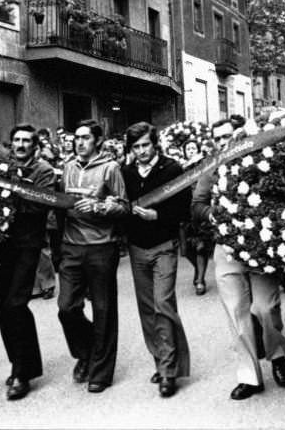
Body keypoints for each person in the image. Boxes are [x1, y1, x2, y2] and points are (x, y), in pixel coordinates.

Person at [192, 118, 285, 402]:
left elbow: (283, 197)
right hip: (226, 246)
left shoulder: (262, 162)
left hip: (261, 247)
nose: (225, 142)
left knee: (265, 308)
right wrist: (216, 215)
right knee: (237, 311)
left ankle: (276, 353)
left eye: (229, 136)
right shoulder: (212, 168)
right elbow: (197, 205)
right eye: (218, 138)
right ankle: (249, 376)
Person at [57, 119, 128, 393]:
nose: (79, 142)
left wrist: (99, 206)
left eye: (85, 137)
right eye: (77, 137)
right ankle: (86, 352)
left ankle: (101, 373)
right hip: (71, 246)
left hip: (101, 246)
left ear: (98, 140)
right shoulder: (67, 167)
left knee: (103, 310)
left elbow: (124, 206)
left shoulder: (110, 168)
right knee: (67, 308)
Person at [122, 122, 191, 398]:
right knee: (147, 308)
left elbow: (184, 208)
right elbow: (121, 205)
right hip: (137, 247)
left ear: (155, 144)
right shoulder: (126, 171)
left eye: (145, 145)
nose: (141, 151)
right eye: (136, 147)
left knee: (163, 303)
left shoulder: (171, 169)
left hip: (164, 245)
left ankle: (169, 371)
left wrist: (158, 216)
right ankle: (161, 360)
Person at [0, 124, 56, 401]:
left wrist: (9, 197)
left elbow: (39, 206)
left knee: (17, 304)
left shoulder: (43, 171)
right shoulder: (1, 168)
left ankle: (23, 372)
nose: (20, 145)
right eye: (16, 140)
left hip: (28, 244)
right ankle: (19, 363)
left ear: (35, 145)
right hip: (3, 245)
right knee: (4, 308)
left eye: (26, 141)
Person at [179, 140, 212, 295]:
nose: (191, 151)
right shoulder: (181, 168)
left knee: (200, 247)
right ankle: (198, 270)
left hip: (199, 211)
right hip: (185, 211)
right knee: (186, 250)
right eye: (188, 148)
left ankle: (200, 280)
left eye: (193, 148)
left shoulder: (203, 164)